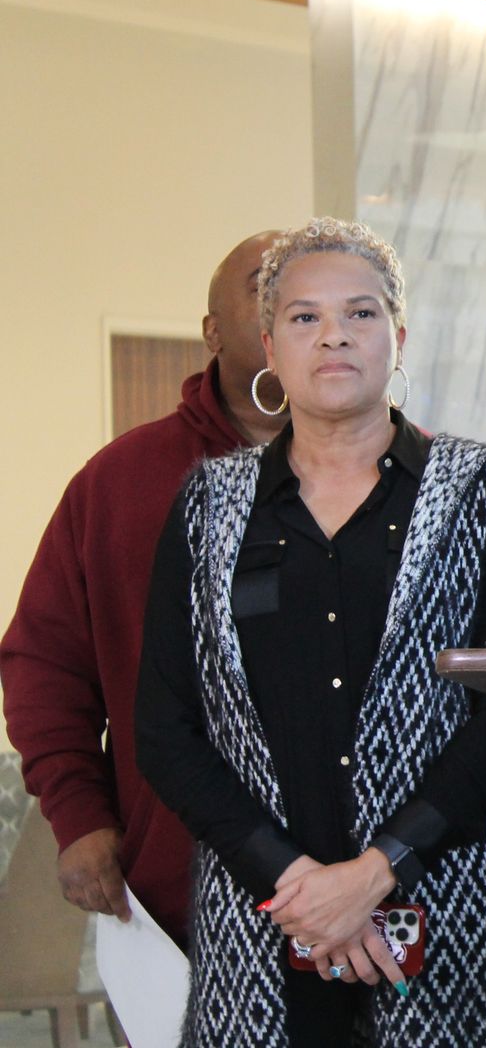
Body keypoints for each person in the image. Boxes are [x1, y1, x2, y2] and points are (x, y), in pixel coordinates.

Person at [136, 217, 486, 1046]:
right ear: (269, 345)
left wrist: (377, 872)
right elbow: (164, 730)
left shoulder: (475, 488)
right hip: (261, 917)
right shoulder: (209, 507)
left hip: (443, 908)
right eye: (304, 317)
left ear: (396, 337)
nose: (334, 336)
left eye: (360, 314)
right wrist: (297, 883)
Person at [2, 231, 286, 945]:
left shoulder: (411, 481)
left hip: (374, 888)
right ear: (212, 331)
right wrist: (79, 813)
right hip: (178, 890)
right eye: (266, 282)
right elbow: (44, 664)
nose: (292, 304)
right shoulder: (121, 482)